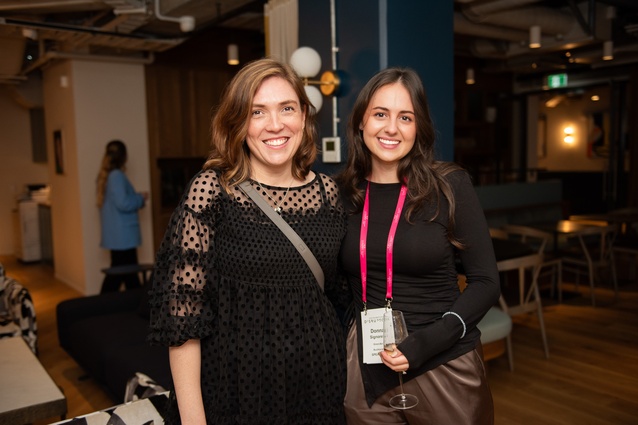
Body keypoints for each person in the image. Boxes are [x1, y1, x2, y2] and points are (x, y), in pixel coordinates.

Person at [148, 58, 350, 424]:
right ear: (238, 123)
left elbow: (339, 295)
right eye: (257, 112)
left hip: (320, 388)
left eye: (287, 108)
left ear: (303, 115)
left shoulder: (329, 193)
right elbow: (182, 322)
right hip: (238, 393)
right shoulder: (212, 192)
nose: (275, 125)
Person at [336, 67, 500, 424]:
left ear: (418, 128)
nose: (391, 128)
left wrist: (425, 343)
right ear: (361, 122)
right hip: (366, 368)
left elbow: (486, 282)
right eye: (380, 114)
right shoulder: (343, 193)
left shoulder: (449, 185)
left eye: (405, 117)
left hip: (443, 362)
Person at [97, 140, 148, 293]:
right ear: (124, 156)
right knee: (121, 275)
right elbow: (123, 203)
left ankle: (133, 304)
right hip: (123, 237)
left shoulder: (108, 176)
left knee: (127, 275)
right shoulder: (116, 176)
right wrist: (140, 198)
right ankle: (102, 305)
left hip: (119, 236)